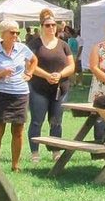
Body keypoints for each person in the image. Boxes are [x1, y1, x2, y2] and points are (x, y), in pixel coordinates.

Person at [0, 19, 37, 171]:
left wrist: (29, 74)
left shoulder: (22, 48)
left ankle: (15, 165)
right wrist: (1, 73)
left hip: (20, 93)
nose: (15, 35)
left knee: (18, 130)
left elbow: (33, 60)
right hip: (0, 93)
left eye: (17, 32)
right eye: (12, 32)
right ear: (3, 33)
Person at [27, 10, 75, 163]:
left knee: (56, 121)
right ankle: (35, 152)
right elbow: (30, 66)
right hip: (38, 89)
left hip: (60, 89)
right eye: (48, 25)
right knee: (37, 121)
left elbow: (72, 66)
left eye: (54, 25)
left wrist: (59, 75)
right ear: (42, 26)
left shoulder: (64, 45)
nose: (51, 28)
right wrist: (47, 76)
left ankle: (56, 151)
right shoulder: (35, 44)